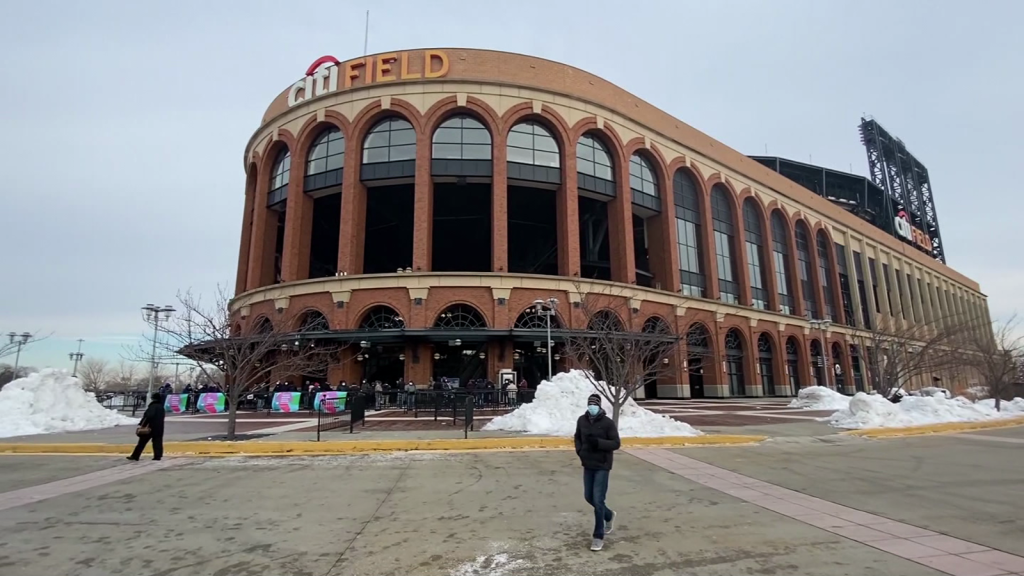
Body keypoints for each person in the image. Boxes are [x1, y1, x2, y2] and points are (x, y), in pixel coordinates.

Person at [574, 393, 620, 551]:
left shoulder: (608, 423)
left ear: (599, 406)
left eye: (594, 404)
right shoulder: (582, 420)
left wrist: (598, 443)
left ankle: (598, 536)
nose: (592, 407)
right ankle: (608, 515)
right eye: (590, 404)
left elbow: (616, 443)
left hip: (602, 465)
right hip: (588, 463)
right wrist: (580, 451)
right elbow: (577, 437)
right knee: (589, 496)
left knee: (598, 500)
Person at [128, 392, 166, 461]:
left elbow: (148, 416)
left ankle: (135, 456)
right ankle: (157, 456)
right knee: (157, 442)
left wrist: (142, 424)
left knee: (142, 442)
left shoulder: (152, 406)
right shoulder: (161, 407)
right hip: (159, 427)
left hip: (150, 427)